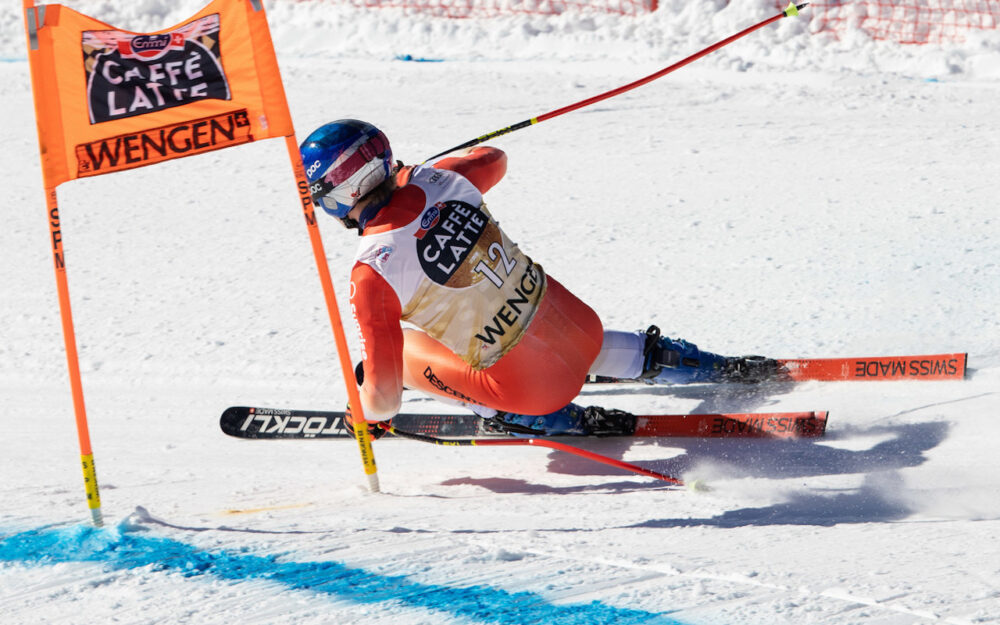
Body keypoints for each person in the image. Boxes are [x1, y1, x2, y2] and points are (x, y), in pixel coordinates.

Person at [299, 119, 777, 438]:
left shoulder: (373, 270)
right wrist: (421, 172)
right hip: (582, 330)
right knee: (540, 332)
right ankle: (677, 360)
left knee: (397, 353)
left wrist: (366, 413)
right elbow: (494, 157)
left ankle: (526, 416)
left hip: (534, 390)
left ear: (340, 194)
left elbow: (383, 402)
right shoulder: (444, 179)